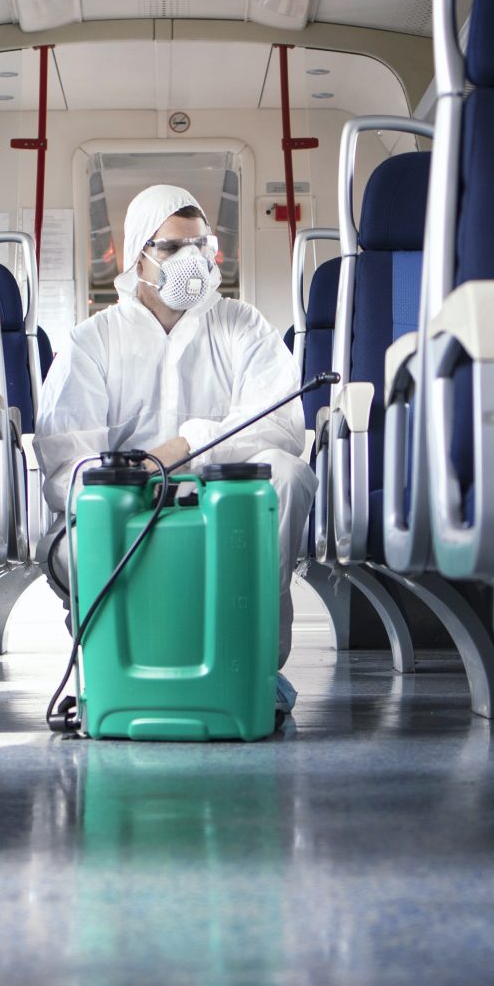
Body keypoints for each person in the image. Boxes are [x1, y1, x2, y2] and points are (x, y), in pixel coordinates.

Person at [36, 184, 318, 694]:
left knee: (290, 474)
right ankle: (111, 667)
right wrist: (130, 482)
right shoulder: (92, 341)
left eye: (201, 245)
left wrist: (185, 446)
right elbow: (65, 468)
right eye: (171, 247)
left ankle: (255, 666)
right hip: (122, 507)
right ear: (137, 255)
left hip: (222, 499)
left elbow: (282, 427)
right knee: (75, 541)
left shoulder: (241, 325)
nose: (192, 260)